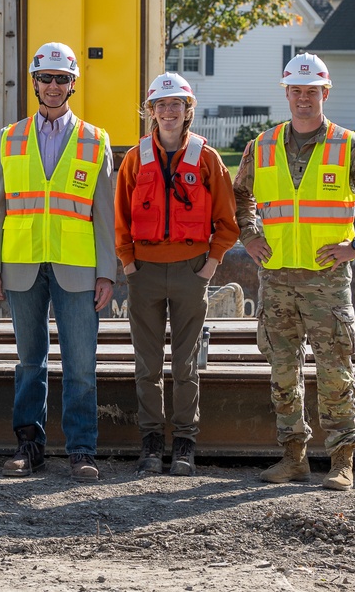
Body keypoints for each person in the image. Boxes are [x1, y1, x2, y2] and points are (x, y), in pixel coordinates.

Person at [232, 52, 355, 491]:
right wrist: (250, 236)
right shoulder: (263, 145)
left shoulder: (351, 148)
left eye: (312, 91)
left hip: (326, 282)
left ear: (325, 93)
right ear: (286, 94)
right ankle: (293, 457)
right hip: (275, 280)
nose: (304, 98)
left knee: (334, 372)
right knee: (281, 372)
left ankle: (342, 461)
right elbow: (239, 198)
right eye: (297, 91)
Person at [0, 42, 115, 482]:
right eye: (46, 78)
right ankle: (29, 447)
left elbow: (104, 214)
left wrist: (107, 273)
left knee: (81, 363)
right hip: (22, 264)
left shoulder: (96, 140)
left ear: (72, 84)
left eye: (62, 79)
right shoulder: (11, 137)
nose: (53, 86)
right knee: (30, 361)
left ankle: (81, 450)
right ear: (35, 83)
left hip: (77, 268)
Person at [114, 72, 238, 477]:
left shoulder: (206, 158)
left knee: (185, 364)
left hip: (191, 270)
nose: (169, 112)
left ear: (188, 112)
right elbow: (120, 219)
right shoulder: (136, 158)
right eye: (161, 105)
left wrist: (210, 266)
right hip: (145, 271)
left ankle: (185, 444)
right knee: (147, 365)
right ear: (151, 111)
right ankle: (151, 443)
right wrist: (129, 264)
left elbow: (227, 221)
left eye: (176, 105)